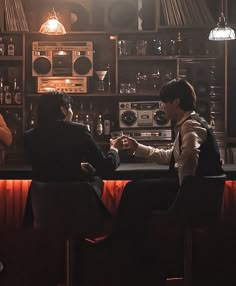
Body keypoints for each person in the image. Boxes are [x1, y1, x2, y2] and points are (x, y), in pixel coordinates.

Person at [111, 78, 223, 286]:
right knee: (136, 191)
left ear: (176, 102)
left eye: (164, 102)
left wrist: (183, 190)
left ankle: (127, 250)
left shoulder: (191, 125)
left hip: (193, 197)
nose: (162, 107)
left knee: (134, 190)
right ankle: (136, 252)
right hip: (196, 193)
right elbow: (170, 157)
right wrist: (138, 147)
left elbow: (189, 156)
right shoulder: (188, 123)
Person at [23, 91, 120, 226]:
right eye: (68, 106)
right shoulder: (78, 130)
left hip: (43, 209)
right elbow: (106, 168)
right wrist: (114, 149)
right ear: (63, 109)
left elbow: (49, 165)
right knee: (97, 179)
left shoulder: (29, 136)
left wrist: (75, 166)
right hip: (77, 205)